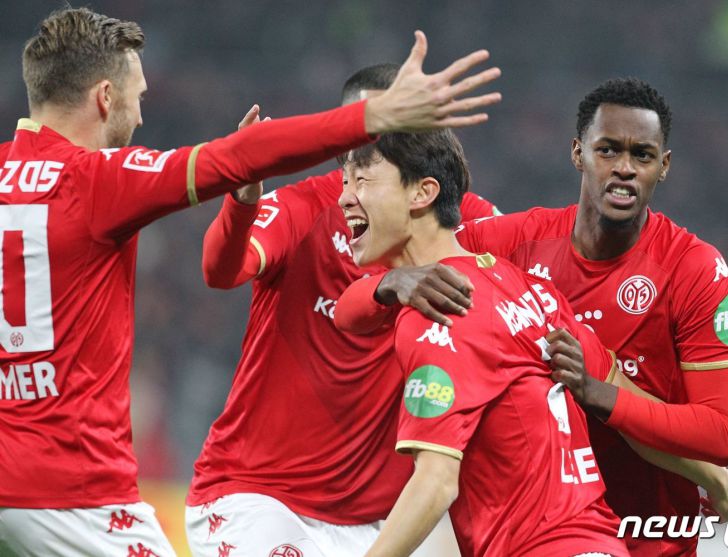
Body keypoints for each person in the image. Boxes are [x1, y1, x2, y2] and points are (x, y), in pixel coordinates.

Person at [0, 7, 501, 556]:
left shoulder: (465, 221)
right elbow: (231, 176)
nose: (140, 116)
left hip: (364, 515)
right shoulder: (98, 179)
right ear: (104, 97)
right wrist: (374, 117)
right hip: (83, 488)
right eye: (137, 97)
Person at [335, 77, 728, 556]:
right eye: (608, 150)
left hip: (647, 533)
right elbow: (359, 303)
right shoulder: (512, 260)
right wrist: (391, 283)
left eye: (642, 155)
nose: (624, 168)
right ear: (578, 152)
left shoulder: (692, 268)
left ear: (664, 165)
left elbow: (723, 433)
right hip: (574, 531)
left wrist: (600, 396)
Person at [185, 63, 499, 557]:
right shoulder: (303, 207)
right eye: (362, 126)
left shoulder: (459, 222)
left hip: (371, 523)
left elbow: (536, 271)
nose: (371, 141)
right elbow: (221, 270)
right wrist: (243, 197)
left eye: (391, 125)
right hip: (259, 499)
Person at [337, 129, 631, 556]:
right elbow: (623, 396)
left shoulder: (438, 312)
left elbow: (436, 482)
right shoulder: (532, 290)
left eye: (362, 180)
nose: (344, 198)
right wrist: (715, 477)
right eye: (345, 182)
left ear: (422, 193)